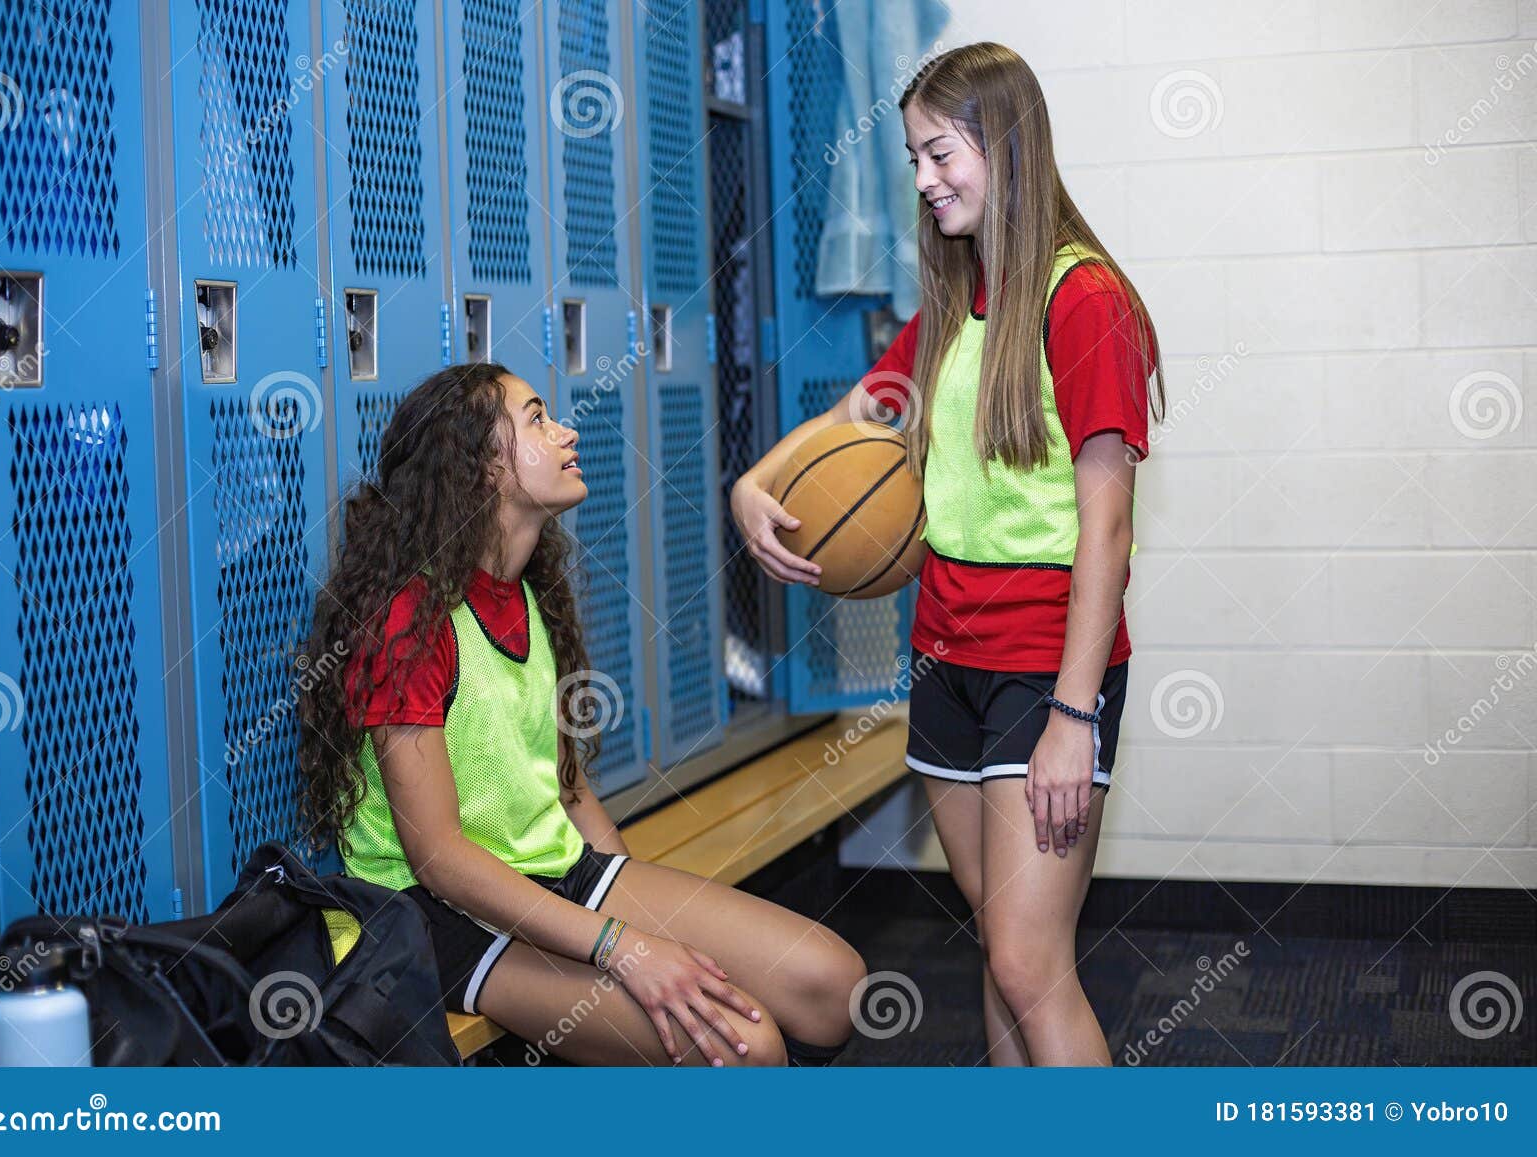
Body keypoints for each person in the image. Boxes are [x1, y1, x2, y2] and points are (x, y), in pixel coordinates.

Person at [732, 42, 1166, 1066]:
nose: (923, 182)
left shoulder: (1085, 300)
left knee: (1029, 964)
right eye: (913, 161)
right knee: (1002, 946)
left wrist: (1069, 715)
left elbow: (1105, 525)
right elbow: (854, 418)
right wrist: (751, 483)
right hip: (944, 660)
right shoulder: (953, 308)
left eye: (939, 155)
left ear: (1004, 147)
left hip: (1044, 669)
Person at [298, 362, 866, 1066]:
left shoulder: (529, 591)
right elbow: (439, 856)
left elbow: (566, 787)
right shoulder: (408, 621)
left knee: (834, 986)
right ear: (480, 468)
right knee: (746, 1049)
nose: (567, 431)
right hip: (436, 911)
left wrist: (644, 922)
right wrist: (621, 945)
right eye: (537, 418)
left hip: (553, 870)